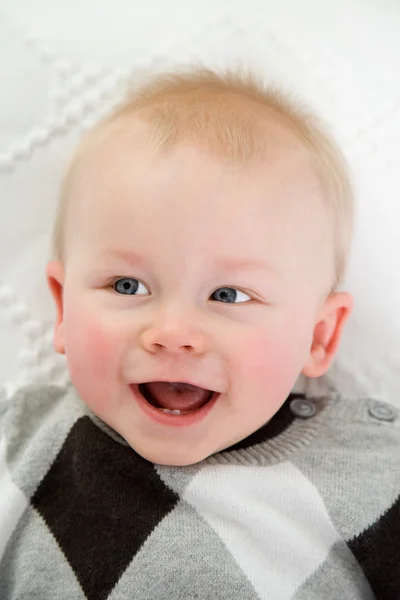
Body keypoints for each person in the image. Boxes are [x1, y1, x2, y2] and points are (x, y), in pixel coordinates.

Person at [0, 68, 398, 600]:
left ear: (318, 336)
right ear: (64, 308)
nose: (172, 333)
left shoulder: (376, 473)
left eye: (228, 295)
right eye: (127, 284)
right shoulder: (17, 444)